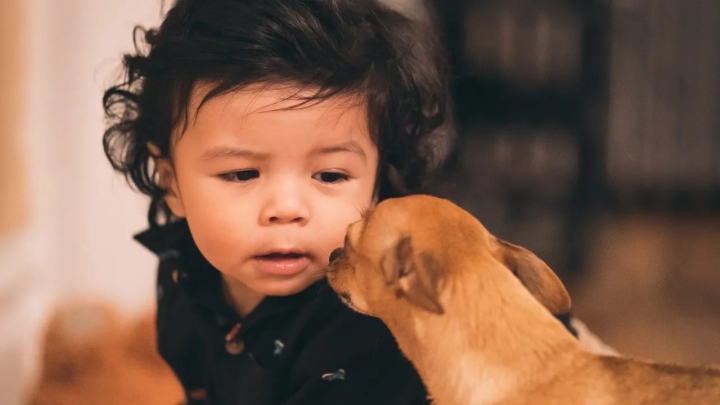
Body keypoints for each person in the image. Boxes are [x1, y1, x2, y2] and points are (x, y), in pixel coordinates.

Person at [102, 1, 606, 404]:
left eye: (330, 174)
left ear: (375, 182)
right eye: (241, 173)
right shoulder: (180, 274)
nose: (286, 208)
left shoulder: (377, 330)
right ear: (170, 181)